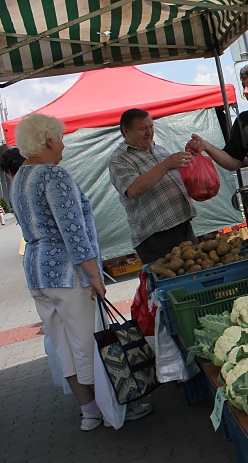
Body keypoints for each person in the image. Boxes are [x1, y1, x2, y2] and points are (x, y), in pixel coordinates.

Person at [8, 114, 152, 431]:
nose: (62, 144)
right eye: (59, 138)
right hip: (67, 274)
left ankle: (89, 411)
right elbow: (74, 233)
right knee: (93, 344)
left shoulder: (19, 177)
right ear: (47, 140)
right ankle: (116, 409)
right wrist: (95, 276)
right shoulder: (53, 175)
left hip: (38, 274)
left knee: (63, 346)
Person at [108, 108, 198, 265]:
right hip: (155, 237)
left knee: (195, 276)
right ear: (126, 132)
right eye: (143, 128)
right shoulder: (119, 159)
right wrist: (165, 166)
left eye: (151, 127)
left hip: (182, 225)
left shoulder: (160, 150)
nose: (149, 132)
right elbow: (133, 190)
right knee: (171, 283)